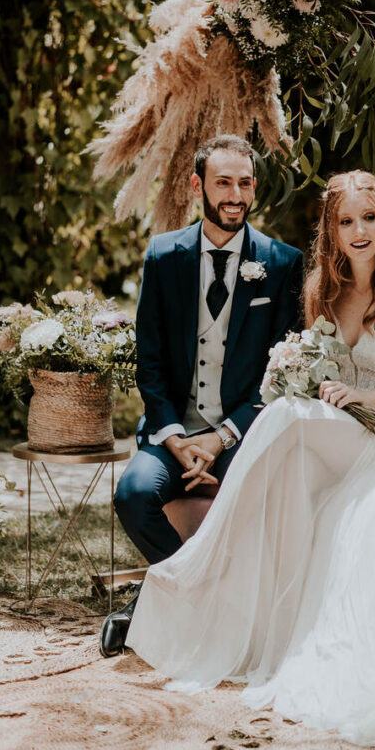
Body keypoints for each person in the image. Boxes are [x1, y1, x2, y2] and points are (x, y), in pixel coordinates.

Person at [126, 170, 375, 746]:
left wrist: (362, 396)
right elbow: (319, 379)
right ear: (330, 231)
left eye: (368, 218)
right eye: (345, 221)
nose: (358, 231)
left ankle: (223, 580)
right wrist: (301, 375)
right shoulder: (326, 292)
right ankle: (243, 609)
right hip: (351, 433)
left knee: (295, 431)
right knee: (286, 415)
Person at [100, 134, 304, 657]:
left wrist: (221, 439)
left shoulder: (281, 265)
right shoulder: (163, 256)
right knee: (133, 495)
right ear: (198, 187)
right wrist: (175, 440)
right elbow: (150, 364)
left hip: (242, 436)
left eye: (244, 183)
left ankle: (153, 603)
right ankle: (195, 595)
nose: (235, 194)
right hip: (172, 434)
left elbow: (280, 375)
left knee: (259, 499)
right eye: (223, 183)